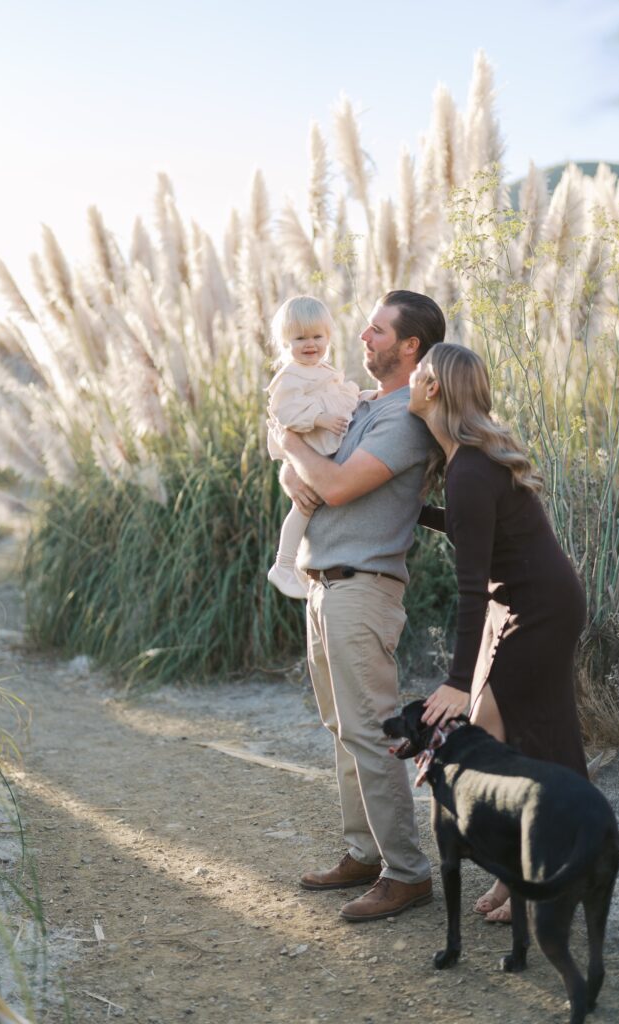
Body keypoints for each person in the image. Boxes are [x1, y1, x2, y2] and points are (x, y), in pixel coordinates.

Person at [274, 290, 446, 922]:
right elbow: (312, 479)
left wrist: (289, 446)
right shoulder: (363, 406)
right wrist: (295, 466)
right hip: (323, 584)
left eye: (377, 330)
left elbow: (339, 484)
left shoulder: (406, 420)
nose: (362, 337)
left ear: (410, 346)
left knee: (372, 732)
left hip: (363, 588)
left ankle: (406, 872)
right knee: (341, 729)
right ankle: (365, 852)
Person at [409, 342, 588, 924]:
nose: (409, 380)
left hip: (536, 611)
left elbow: (469, 589)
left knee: (493, 740)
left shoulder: (469, 469)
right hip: (530, 602)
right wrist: (417, 512)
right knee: (535, 739)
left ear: (433, 388)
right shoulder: (471, 463)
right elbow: (477, 531)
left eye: (417, 373)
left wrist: (459, 681)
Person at [266, 295, 360, 599]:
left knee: (313, 507)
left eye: (317, 336)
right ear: (285, 342)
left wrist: (363, 398)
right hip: (309, 452)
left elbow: (341, 399)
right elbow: (285, 411)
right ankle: (283, 565)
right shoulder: (290, 376)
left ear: (328, 337)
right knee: (303, 507)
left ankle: (298, 567)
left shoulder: (323, 371)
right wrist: (320, 418)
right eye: (300, 338)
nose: (310, 344)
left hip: (320, 452)